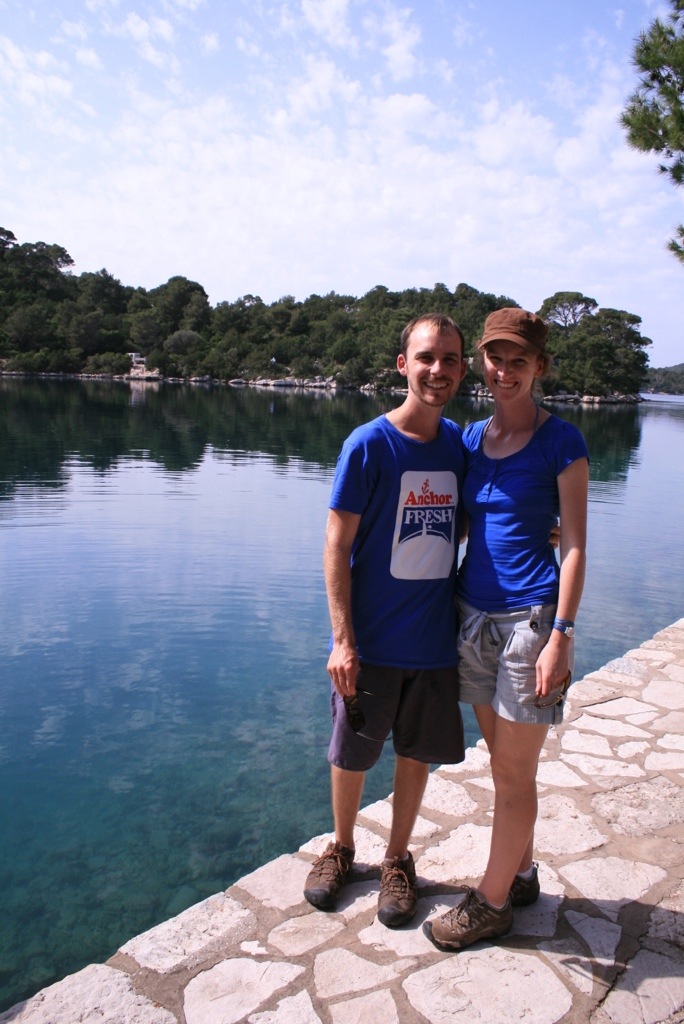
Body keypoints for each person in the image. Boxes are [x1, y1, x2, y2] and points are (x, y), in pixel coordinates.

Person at [424, 307, 589, 950]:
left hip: (530, 624)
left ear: (539, 366)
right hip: (472, 618)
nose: (504, 370)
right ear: (483, 363)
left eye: (519, 360)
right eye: (495, 358)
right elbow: (462, 522)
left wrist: (561, 636)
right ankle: (520, 875)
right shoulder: (471, 438)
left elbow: (574, 545)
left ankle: (490, 904)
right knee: (504, 766)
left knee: (513, 775)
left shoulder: (561, 441)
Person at [303, 313, 468, 927]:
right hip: (369, 643)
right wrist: (342, 640)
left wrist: (540, 528)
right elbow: (335, 545)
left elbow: (471, 519)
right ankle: (342, 848)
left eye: (449, 359)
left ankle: (398, 859)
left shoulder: (459, 446)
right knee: (351, 753)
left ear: (461, 369)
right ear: (403, 365)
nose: (437, 369)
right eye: (426, 357)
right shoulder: (368, 445)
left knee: (415, 754)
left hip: (433, 642)